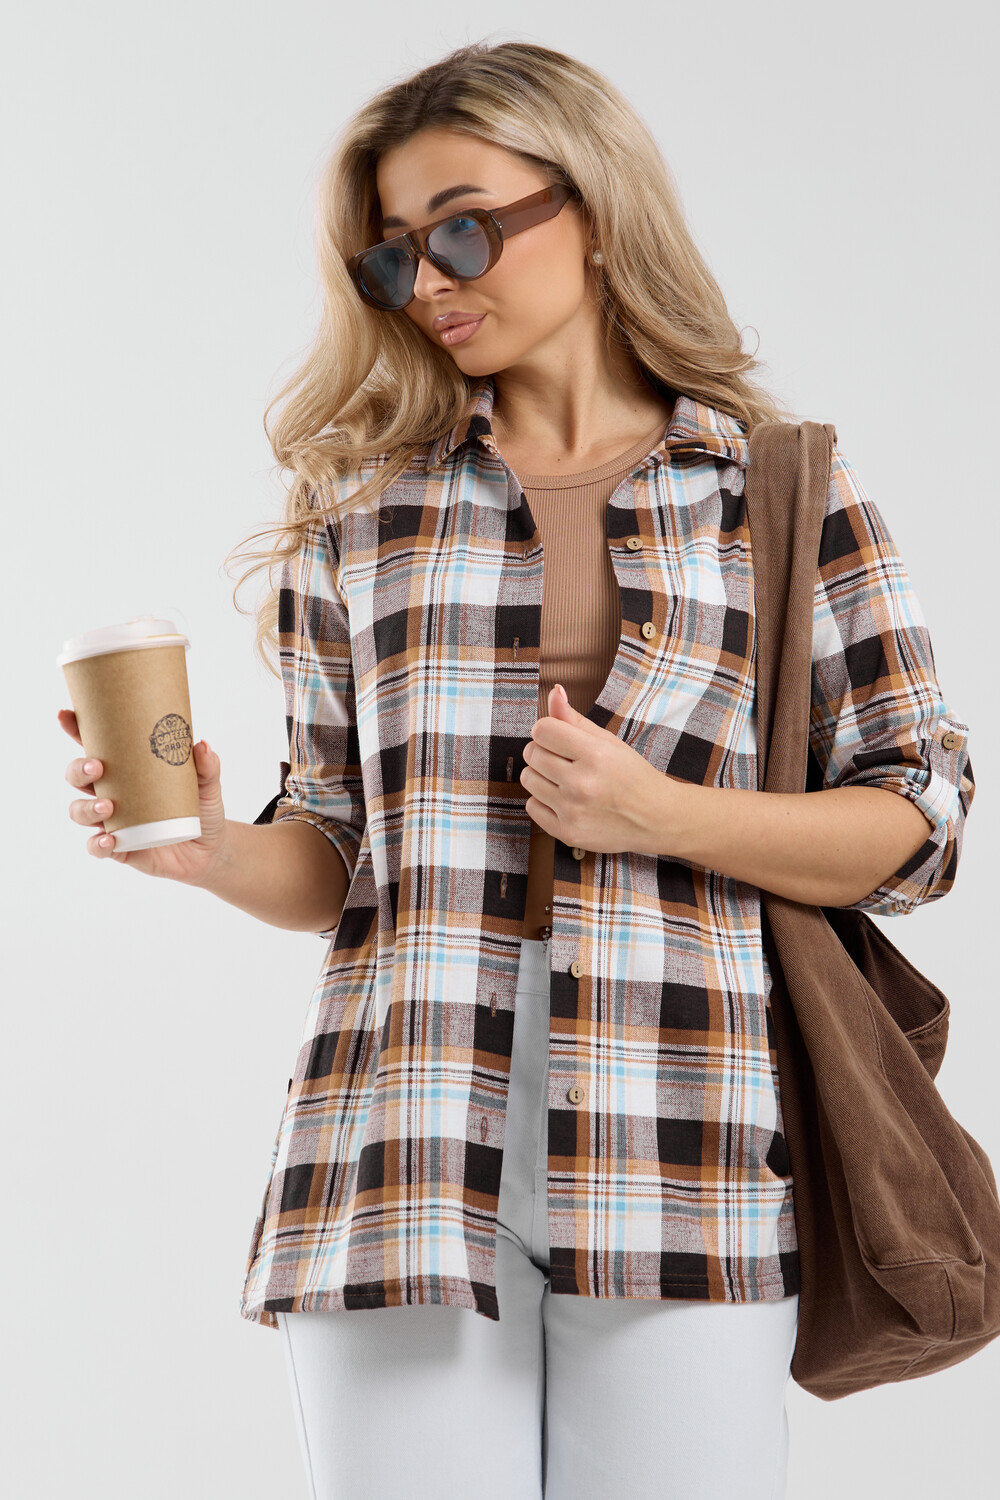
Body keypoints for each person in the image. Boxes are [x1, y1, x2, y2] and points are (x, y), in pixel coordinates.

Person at [59, 39, 975, 1500]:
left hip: (686, 1125)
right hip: (405, 1129)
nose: (429, 280)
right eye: (393, 255)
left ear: (595, 211)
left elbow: (918, 819)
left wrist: (659, 812)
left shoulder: (777, 485)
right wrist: (209, 849)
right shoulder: (359, 504)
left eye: (466, 230)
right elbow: (337, 848)